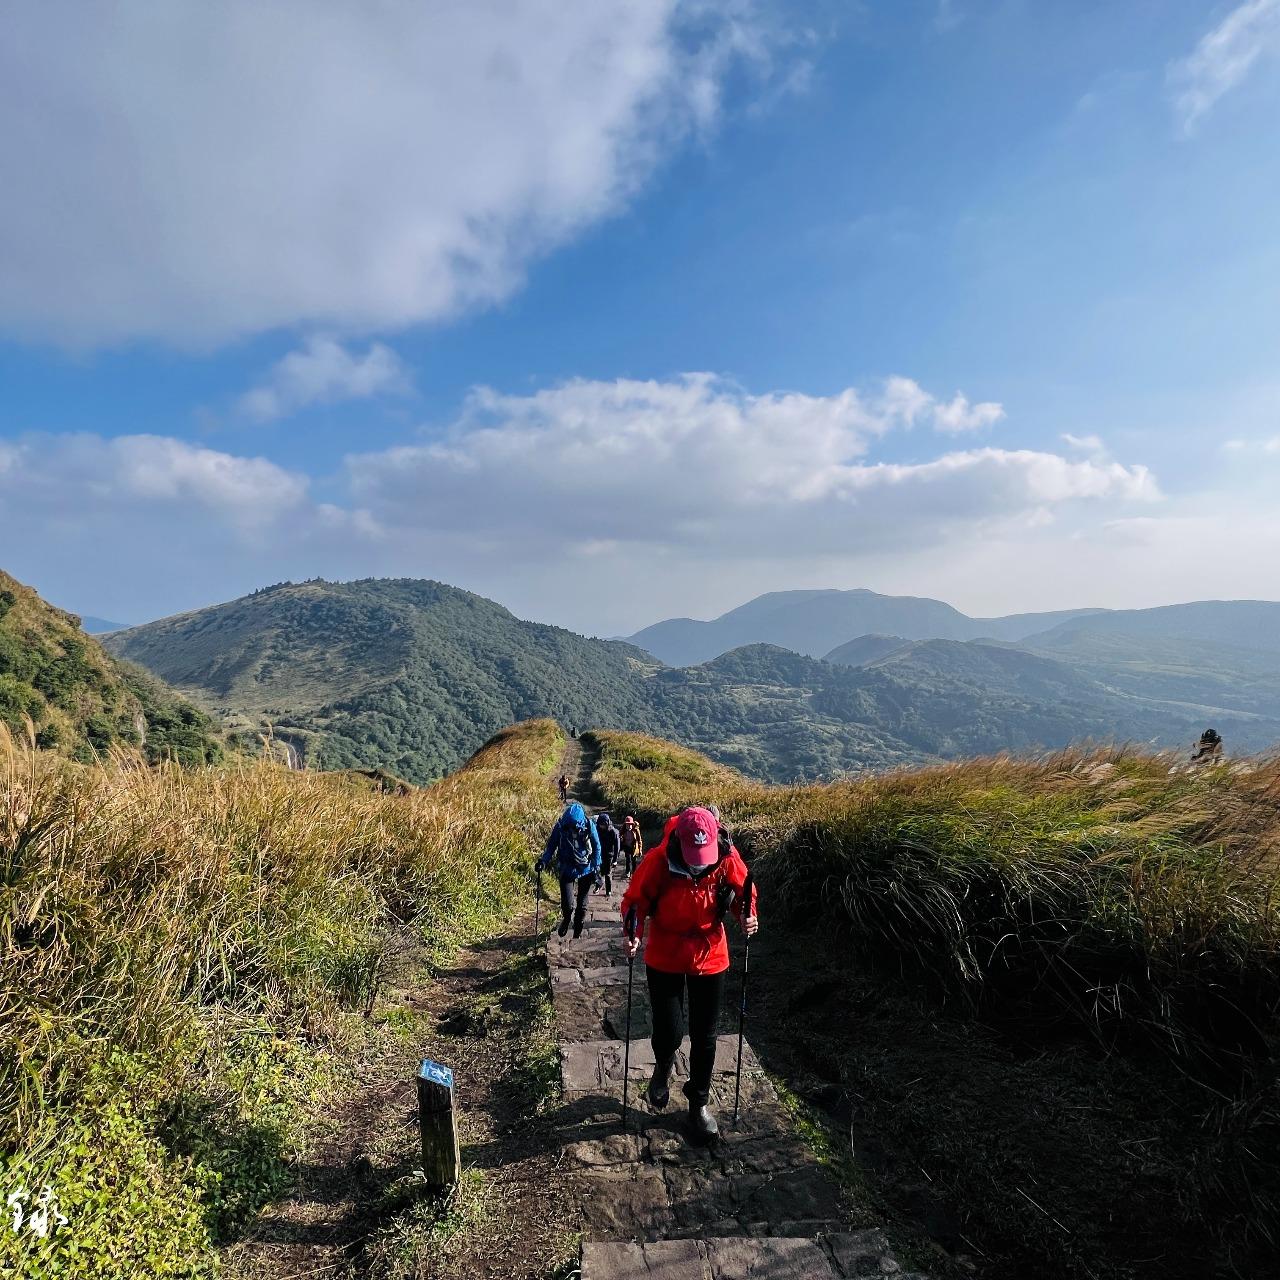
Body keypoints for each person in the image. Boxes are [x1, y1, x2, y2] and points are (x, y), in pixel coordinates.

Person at [620, 806, 757, 1142]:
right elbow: (635, 902)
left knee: (705, 1035)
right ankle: (663, 1067)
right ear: (679, 840)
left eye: (704, 853)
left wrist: (747, 916)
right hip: (665, 952)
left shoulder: (726, 856)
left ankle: (698, 1103)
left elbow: (745, 894)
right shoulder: (657, 861)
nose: (699, 861)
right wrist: (633, 933)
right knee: (669, 1030)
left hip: (710, 953)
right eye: (693, 854)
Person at [538, 802, 602, 939]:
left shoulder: (589, 826)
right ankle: (567, 919)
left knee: (582, 905)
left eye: (574, 826)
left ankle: (577, 931)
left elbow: (597, 848)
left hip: (586, 868)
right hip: (567, 867)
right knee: (567, 904)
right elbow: (551, 847)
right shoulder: (561, 827)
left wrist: (596, 870)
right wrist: (543, 861)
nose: (572, 829)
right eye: (569, 826)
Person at [595, 812, 621, 895]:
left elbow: (617, 847)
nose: (601, 826)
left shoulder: (613, 832)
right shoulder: (597, 830)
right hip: (599, 854)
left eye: (602, 824)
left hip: (609, 855)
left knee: (607, 873)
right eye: (600, 824)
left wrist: (615, 860)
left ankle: (608, 890)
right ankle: (598, 885)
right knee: (597, 872)